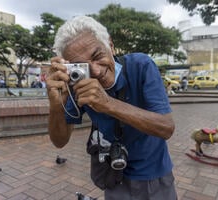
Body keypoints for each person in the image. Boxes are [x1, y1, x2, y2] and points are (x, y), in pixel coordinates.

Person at [46, 16, 177, 200]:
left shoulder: (141, 66)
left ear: (111, 45)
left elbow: (166, 128)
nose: (97, 71)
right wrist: (56, 105)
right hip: (113, 175)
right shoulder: (77, 83)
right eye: (82, 66)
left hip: (153, 172)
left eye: (98, 56)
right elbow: (59, 141)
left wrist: (107, 104)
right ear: (71, 68)